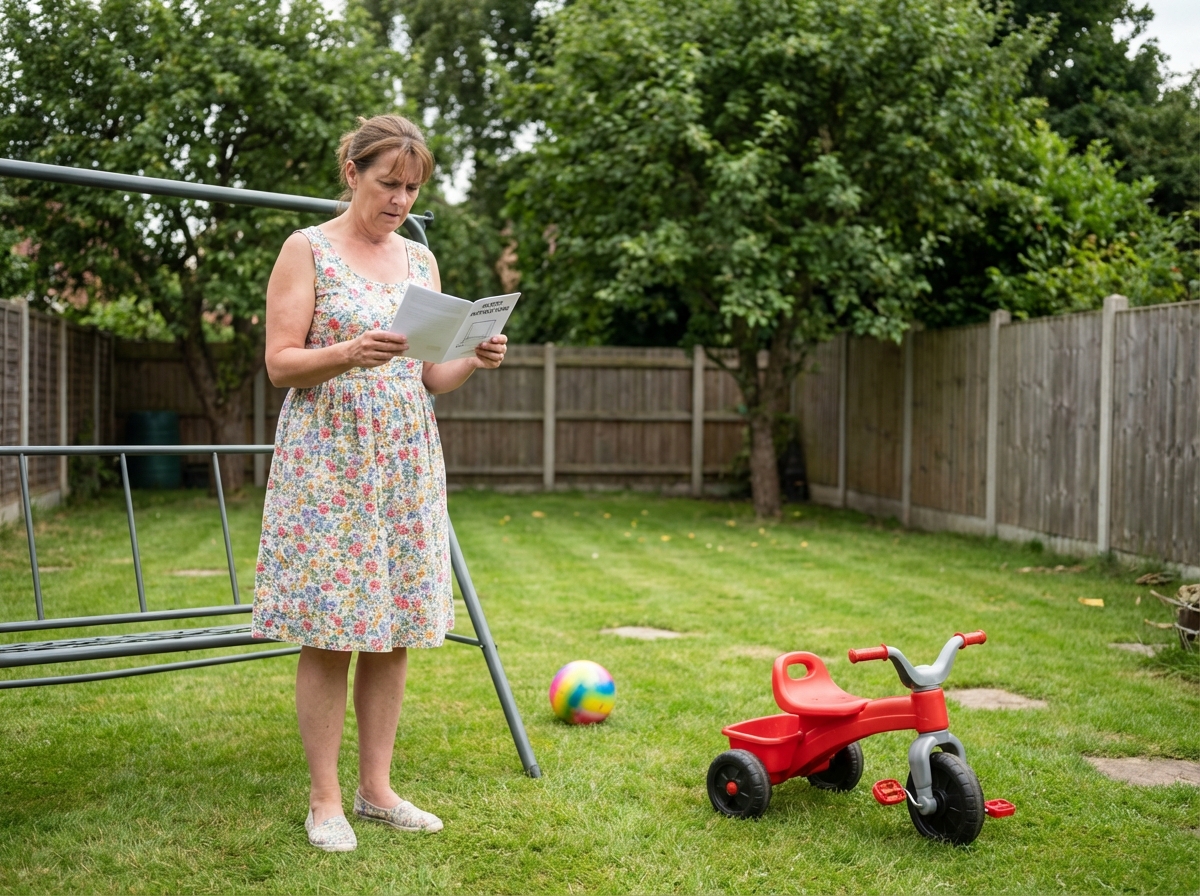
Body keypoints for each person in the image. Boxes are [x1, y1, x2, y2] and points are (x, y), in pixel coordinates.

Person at [252, 114, 506, 852]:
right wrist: (349, 352)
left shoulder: (420, 264)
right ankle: (325, 801)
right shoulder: (307, 251)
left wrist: (475, 357)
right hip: (330, 459)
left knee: (393, 628)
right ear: (353, 172)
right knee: (334, 630)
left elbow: (431, 377)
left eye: (412, 187)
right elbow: (279, 363)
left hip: (403, 457)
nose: (400, 199)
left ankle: (378, 790)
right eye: (389, 182)